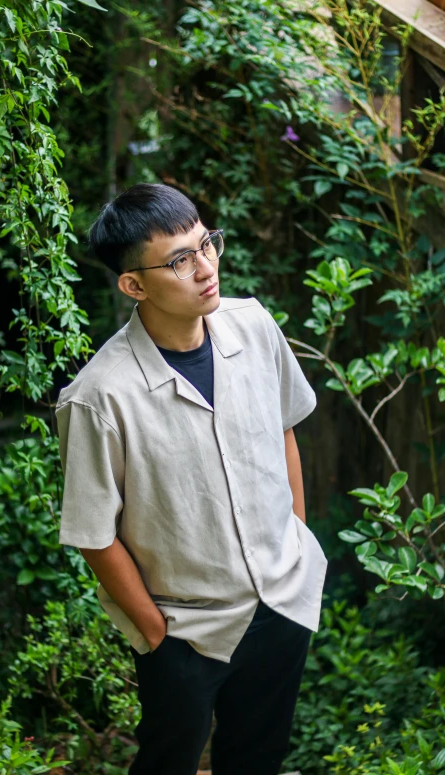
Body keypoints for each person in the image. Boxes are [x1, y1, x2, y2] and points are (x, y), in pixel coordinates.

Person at [55, 182, 328, 775]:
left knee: (257, 758)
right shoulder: (99, 398)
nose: (205, 267)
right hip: (185, 630)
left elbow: (284, 430)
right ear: (134, 284)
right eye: (180, 260)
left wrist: (296, 544)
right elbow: (93, 534)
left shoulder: (253, 326)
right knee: (166, 763)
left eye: (206, 244)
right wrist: (157, 634)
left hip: (279, 603)